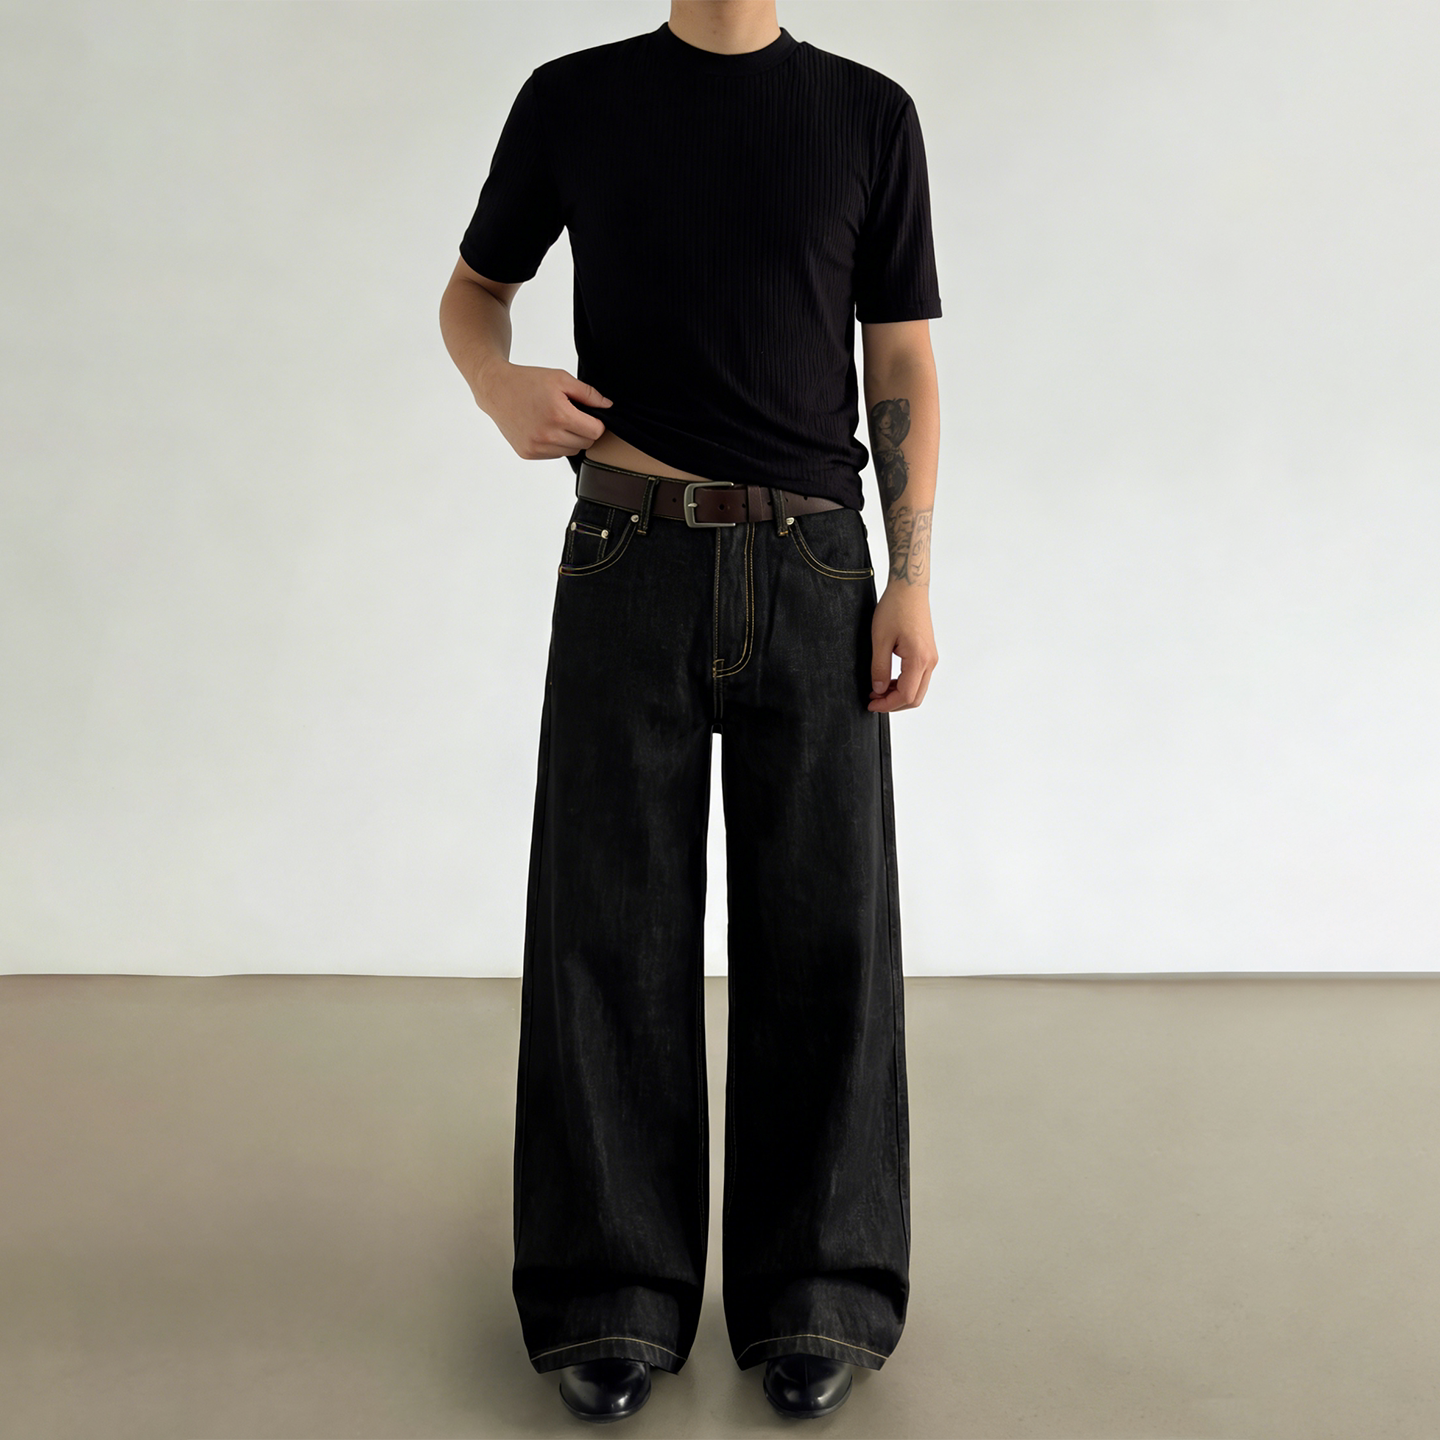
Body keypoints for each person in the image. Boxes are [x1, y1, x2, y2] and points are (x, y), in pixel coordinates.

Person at [438, 0, 941, 1422]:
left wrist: (912, 577)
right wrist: (497, 385)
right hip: (628, 552)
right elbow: (473, 292)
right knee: (606, 926)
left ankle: (819, 1292)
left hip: (818, 564)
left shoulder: (868, 116)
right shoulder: (574, 99)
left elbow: (900, 358)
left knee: (826, 932)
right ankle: (610, 1294)